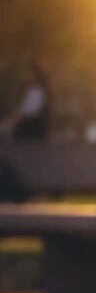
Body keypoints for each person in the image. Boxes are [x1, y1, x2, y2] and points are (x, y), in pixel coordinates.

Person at [0, 60, 52, 202]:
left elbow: (23, 114)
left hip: (30, 140)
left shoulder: (36, 91)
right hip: (30, 141)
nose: (25, 76)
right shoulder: (36, 90)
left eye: (28, 72)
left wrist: (5, 126)